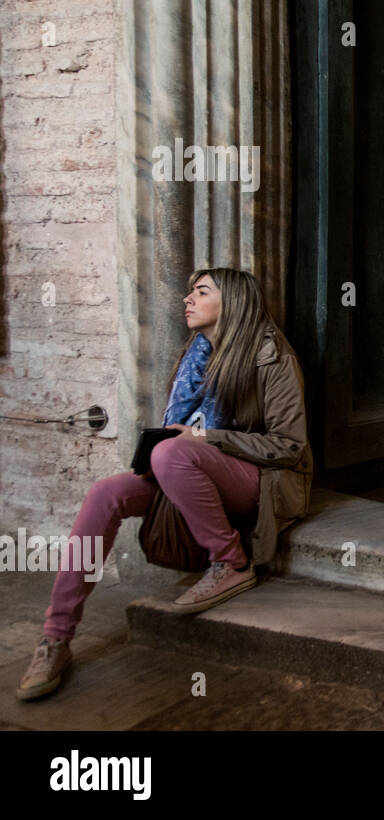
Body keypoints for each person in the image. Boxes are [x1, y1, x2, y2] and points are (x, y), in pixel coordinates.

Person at [16, 267, 314, 701]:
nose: (186, 299)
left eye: (201, 292)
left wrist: (204, 439)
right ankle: (55, 638)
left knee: (172, 452)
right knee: (107, 492)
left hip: (263, 481)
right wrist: (177, 452)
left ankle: (230, 563)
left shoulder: (273, 357)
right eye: (189, 292)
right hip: (195, 469)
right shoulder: (197, 355)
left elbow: (289, 446)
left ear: (231, 302)